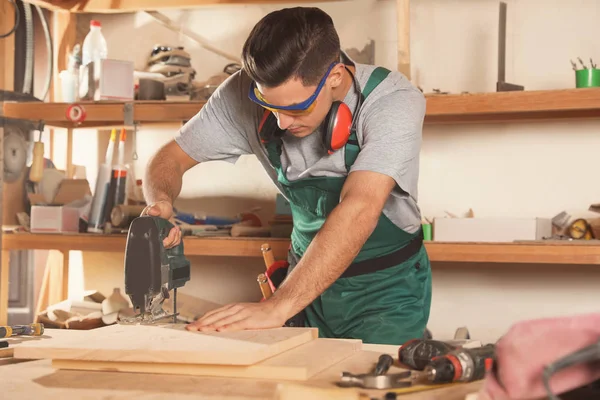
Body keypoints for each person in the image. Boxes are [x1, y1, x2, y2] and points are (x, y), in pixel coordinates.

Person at [142, 6, 431, 345]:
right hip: (302, 286)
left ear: (335, 77)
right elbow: (169, 158)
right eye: (269, 106)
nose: (281, 123)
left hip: (384, 293)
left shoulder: (391, 101)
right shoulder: (242, 91)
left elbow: (360, 208)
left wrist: (277, 307)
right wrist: (160, 200)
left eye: (296, 108)